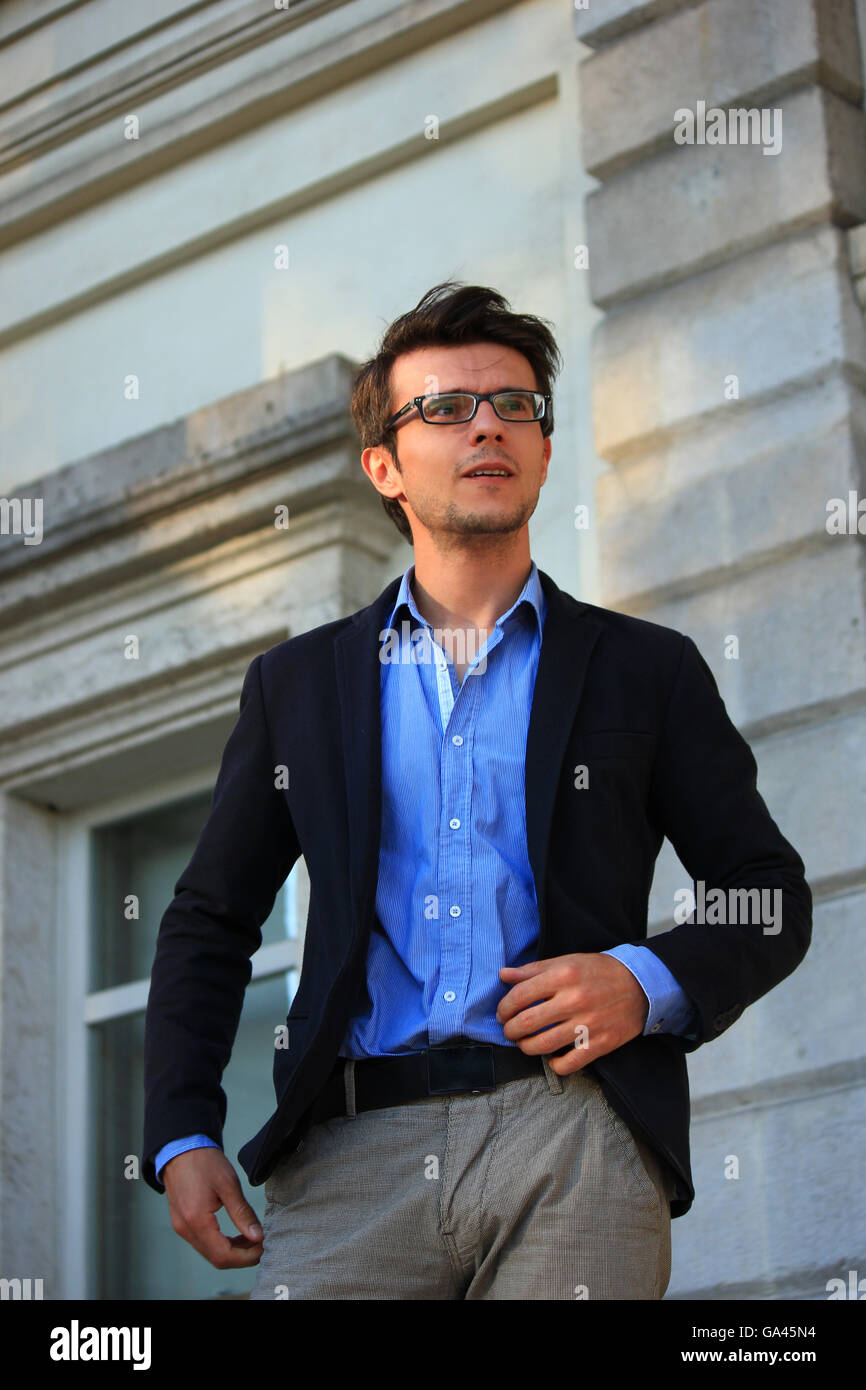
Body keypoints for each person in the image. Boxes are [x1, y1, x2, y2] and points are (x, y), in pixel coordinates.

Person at [142, 281, 812, 1300]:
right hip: (347, 1152)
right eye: (445, 408)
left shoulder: (649, 669)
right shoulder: (298, 685)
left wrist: (641, 980)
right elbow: (209, 916)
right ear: (384, 466)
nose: (487, 425)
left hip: (571, 1132)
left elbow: (765, 892)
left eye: (514, 405)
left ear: (543, 449)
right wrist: (181, 1125)